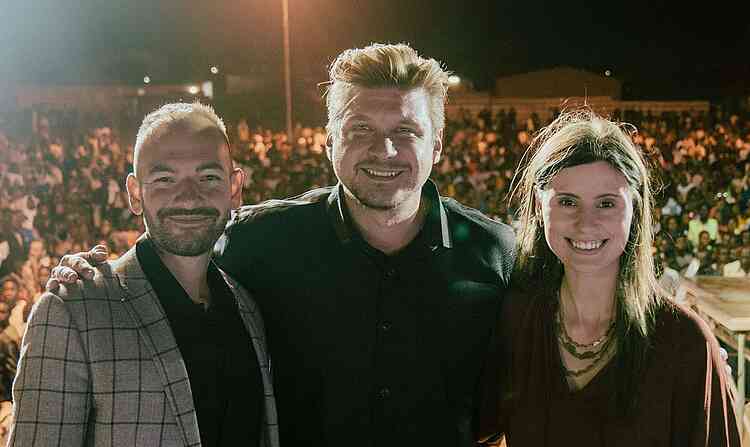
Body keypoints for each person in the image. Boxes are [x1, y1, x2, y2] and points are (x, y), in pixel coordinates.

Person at [47, 43, 517, 446]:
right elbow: (176, 250)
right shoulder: (259, 242)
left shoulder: (496, 254)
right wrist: (94, 275)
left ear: (437, 145)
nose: (384, 150)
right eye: (360, 130)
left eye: (405, 131)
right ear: (330, 142)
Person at [9, 102, 279, 447]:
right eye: (165, 179)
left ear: (234, 187)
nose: (189, 196)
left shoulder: (247, 307)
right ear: (135, 194)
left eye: (208, 177)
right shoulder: (72, 311)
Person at [479, 108, 740, 446]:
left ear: (636, 209)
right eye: (568, 202)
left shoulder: (684, 342)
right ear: (538, 207)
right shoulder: (514, 321)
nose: (586, 224)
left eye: (606, 204)